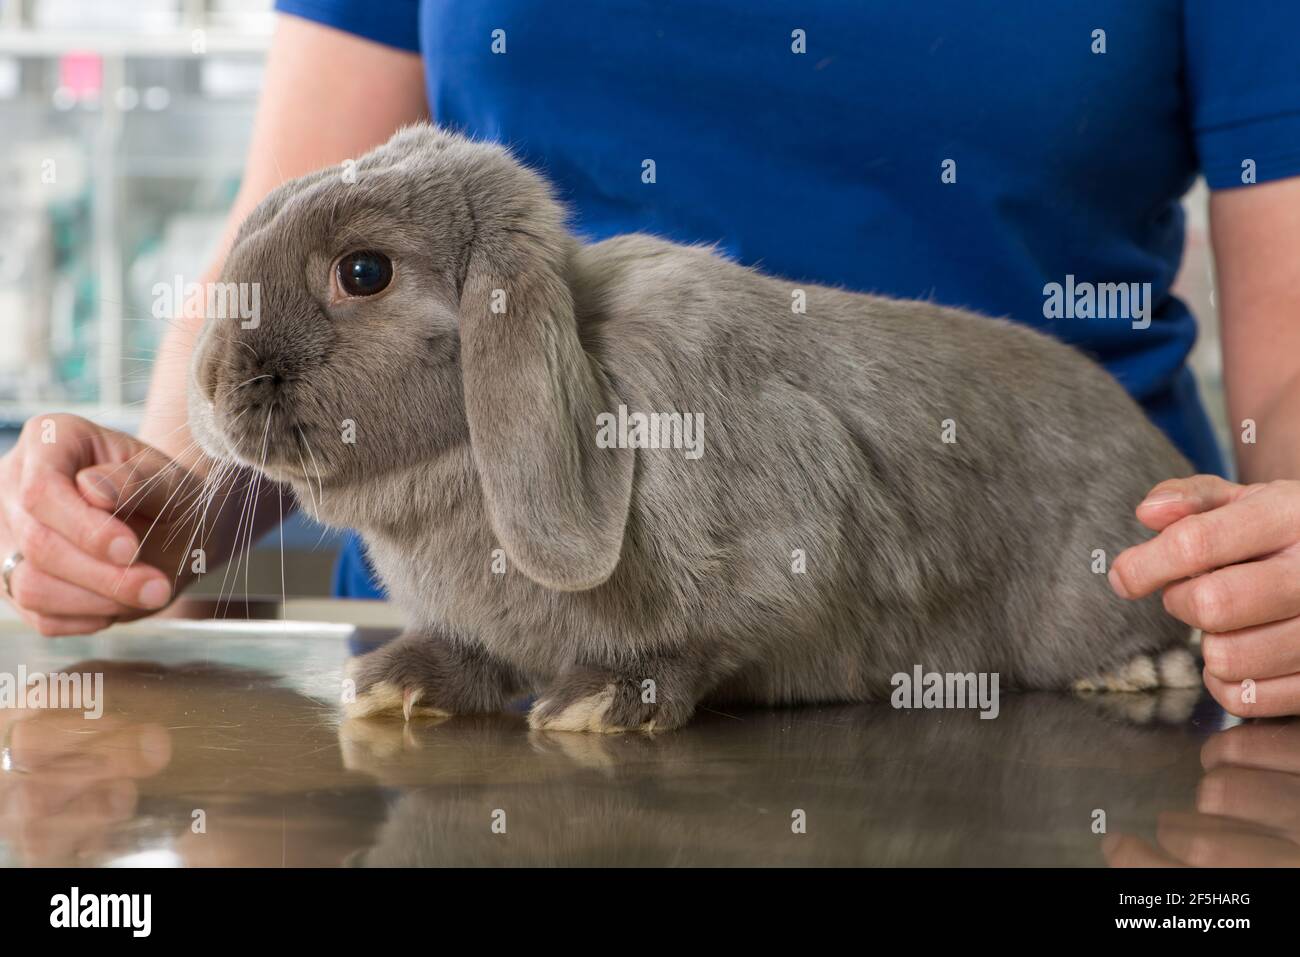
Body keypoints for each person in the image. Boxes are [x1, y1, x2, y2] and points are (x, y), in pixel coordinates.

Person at [3, 3, 1299, 717]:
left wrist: (1286, 545)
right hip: (472, 681)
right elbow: (284, 223)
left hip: (1066, 666)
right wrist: (160, 494)